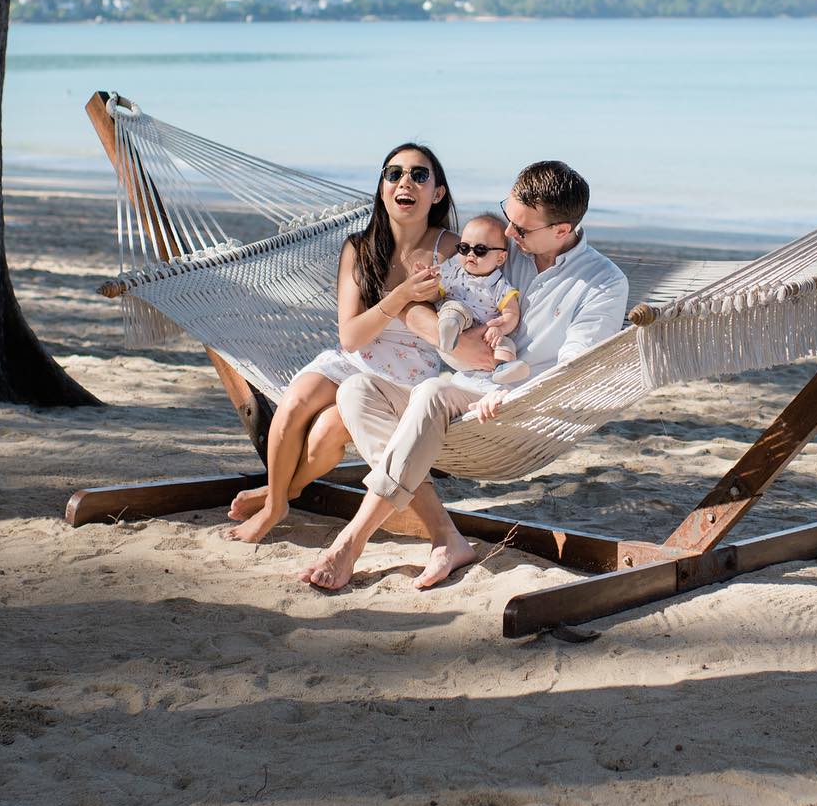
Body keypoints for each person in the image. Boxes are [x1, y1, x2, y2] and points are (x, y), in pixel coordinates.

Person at [298, 159, 628, 591]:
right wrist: (440, 324)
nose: (507, 233)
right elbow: (435, 298)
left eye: (521, 229)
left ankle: (350, 542)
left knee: (431, 393)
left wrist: (516, 397)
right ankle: (446, 537)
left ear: (562, 230)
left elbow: (574, 370)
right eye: (508, 216)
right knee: (357, 390)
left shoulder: (603, 284)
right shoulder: (501, 250)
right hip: (463, 389)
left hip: (518, 410)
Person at [224, 142, 458, 543]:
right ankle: (275, 506)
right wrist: (402, 296)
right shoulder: (360, 247)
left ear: (437, 193)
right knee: (295, 400)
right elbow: (350, 336)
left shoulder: (451, 249)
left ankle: (282, 492)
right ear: (383, 188)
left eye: (419, 175)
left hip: (406, 374)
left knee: (329, 428)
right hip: (356, 357)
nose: (405, 181)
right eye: (394, 174)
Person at [435, 213, 529, 387]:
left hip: (484, 341)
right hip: (455, 342)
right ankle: (449, 327)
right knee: (455, 308)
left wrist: (499, 329)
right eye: (464, 248)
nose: (470, 254)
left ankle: (503, 368)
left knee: (506, 343)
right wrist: (428, 279)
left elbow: (512, 314)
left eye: (480, 250)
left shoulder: (499, 285)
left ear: (500, 258)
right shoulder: (453, 273)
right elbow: (433, 292)